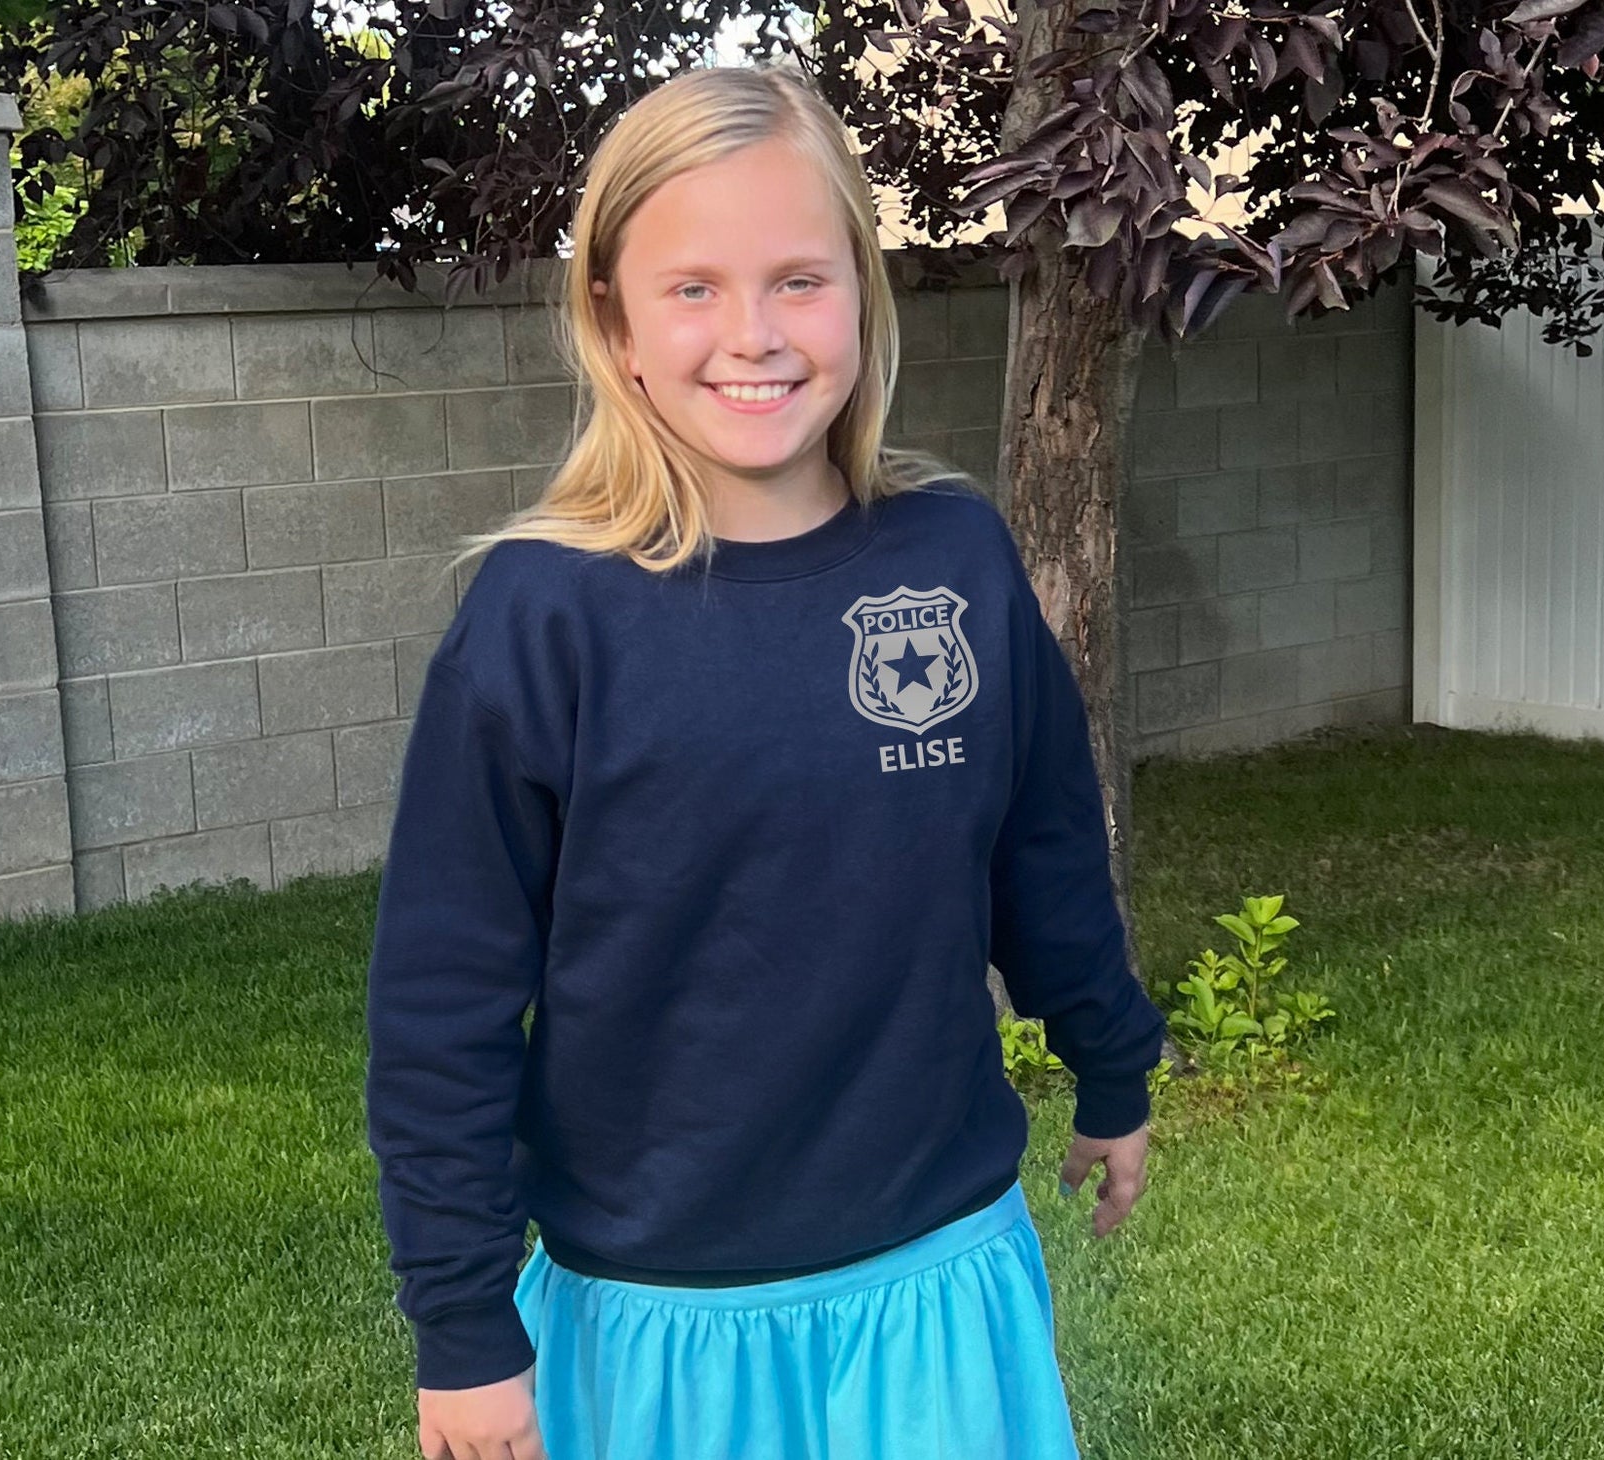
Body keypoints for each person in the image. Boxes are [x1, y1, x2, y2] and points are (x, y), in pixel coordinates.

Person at [364, 63, 1167, 1460]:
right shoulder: (541, 617)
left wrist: (1110, 1066)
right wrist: (463, 1326)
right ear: (612, 323)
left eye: (800, 279)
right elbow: (442, 1005)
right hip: (649, 1320)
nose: (753, 334)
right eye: (691, 289)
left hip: (932, 1285)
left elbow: (1041, 856)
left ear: (863, 290)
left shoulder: (953, 561)